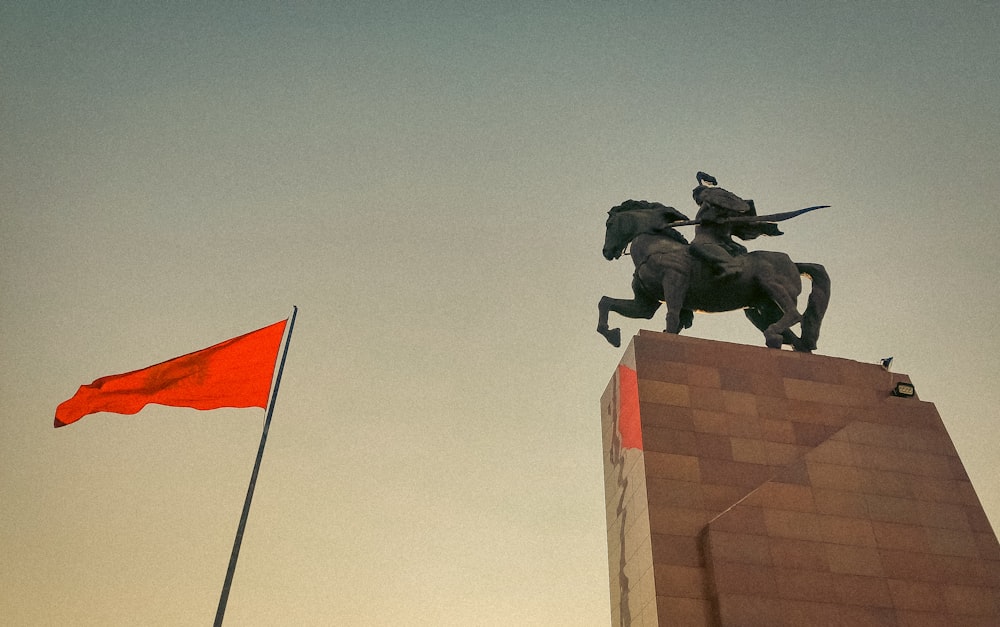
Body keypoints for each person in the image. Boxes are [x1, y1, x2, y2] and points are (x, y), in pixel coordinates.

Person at [689, 171, 781, 279]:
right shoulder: (710, 205)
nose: (697, 201)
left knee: (696, 247)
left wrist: (711, 216)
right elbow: (699, 176)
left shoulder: (710, 205)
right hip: (723, 241)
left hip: (712, 241)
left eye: (696, 198)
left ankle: (730, 267)